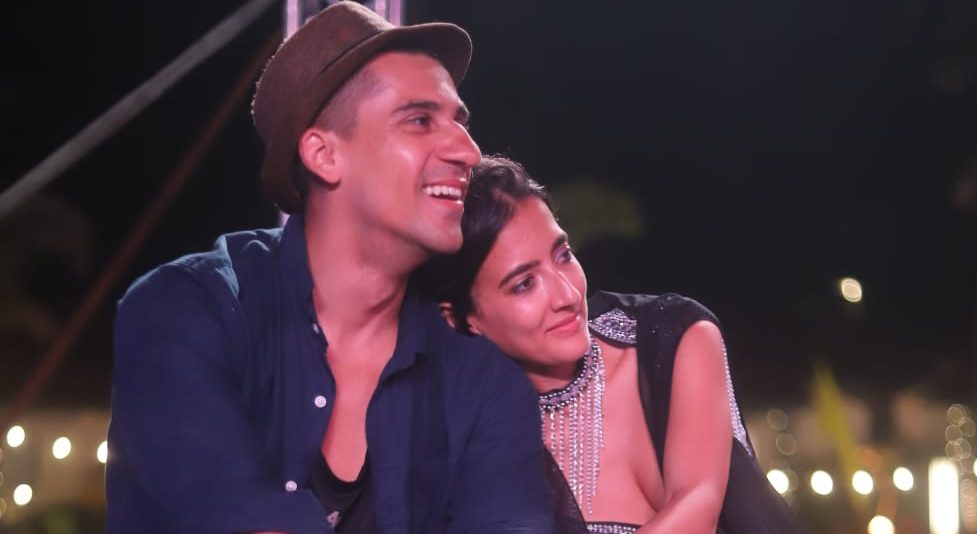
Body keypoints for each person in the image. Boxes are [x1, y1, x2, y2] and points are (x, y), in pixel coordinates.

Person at [105, 4, 551, 533]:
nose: (469, 152)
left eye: (460, 122)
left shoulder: (483, 381)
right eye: (420, 120)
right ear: (323, 154)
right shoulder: (184, 311)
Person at [417, 156, 802, 533]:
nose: (567, 295)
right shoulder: (466, 433)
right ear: (461, 317)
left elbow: (696, 509)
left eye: (563, 256)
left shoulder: (674, 336)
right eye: (524, 284)